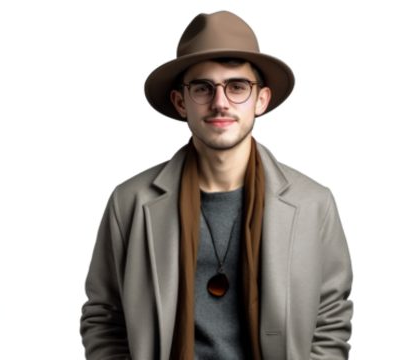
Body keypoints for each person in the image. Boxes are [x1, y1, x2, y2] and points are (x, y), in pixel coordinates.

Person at [78, 9, 354, 359]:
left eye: (237, 86)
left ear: (261, 100)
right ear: (181, 102)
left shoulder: (315, 202)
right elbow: (103, 315)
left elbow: (332, 317)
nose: (220, 102)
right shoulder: (128, 201)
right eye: (203, 88)